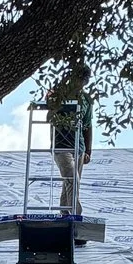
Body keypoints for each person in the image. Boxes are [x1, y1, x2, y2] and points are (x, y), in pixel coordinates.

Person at [47, 62, 93, 217]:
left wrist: (88, 150)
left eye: (84, 81)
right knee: (73, 180)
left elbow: (88, 125)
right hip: (62, 146)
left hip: (78, 147)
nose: (81, 84)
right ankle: (76, 216)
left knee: (69, 183)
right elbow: (48, 103)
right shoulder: (60, 93)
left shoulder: (86, 99)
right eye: (79, 79)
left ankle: (65, 215)